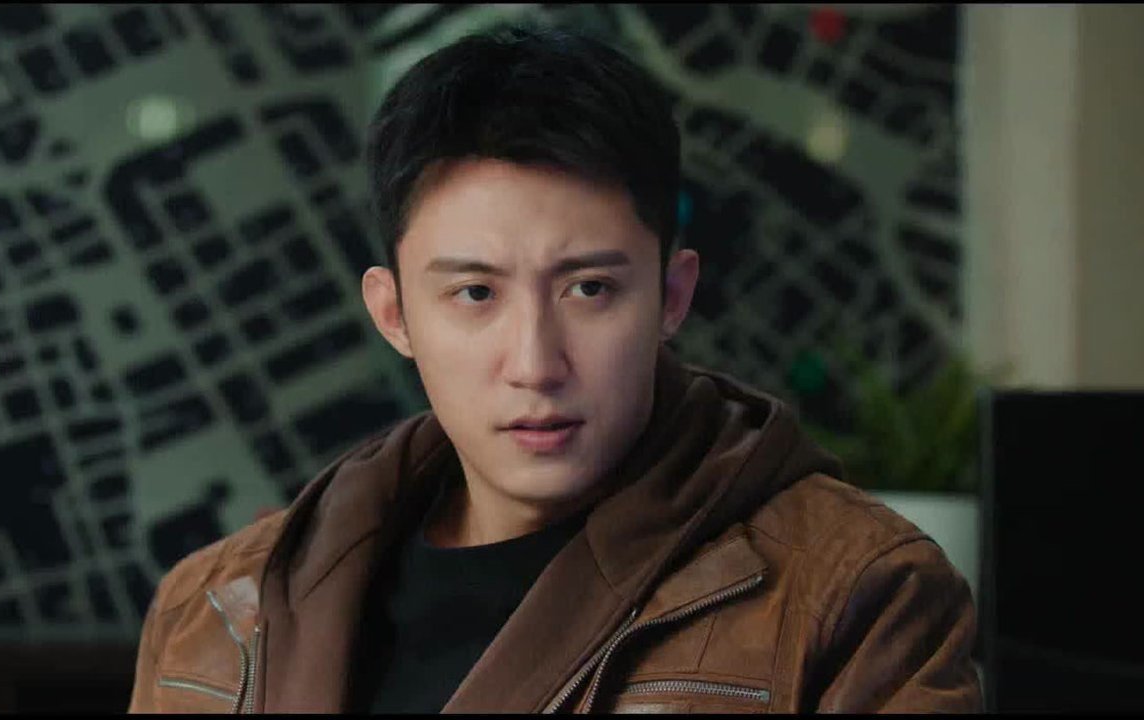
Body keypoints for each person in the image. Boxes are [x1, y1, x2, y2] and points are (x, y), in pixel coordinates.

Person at [128, 24, 981, 714]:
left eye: (589, 289)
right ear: (394, 315)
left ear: (672, 295)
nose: (535, 363)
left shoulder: (859, 594)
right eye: (475, 293)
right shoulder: (215, 610)